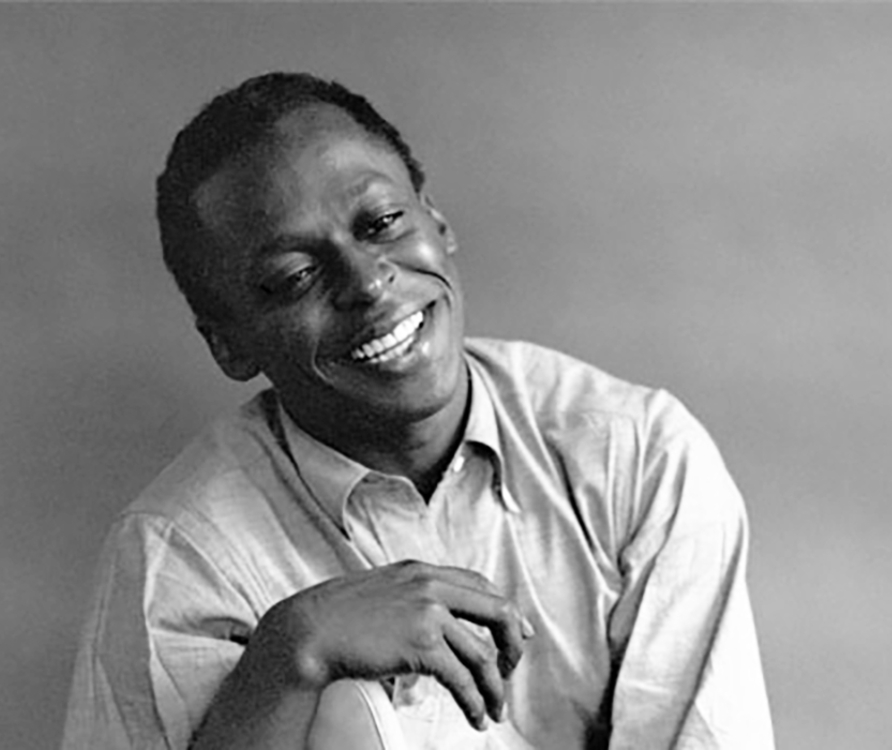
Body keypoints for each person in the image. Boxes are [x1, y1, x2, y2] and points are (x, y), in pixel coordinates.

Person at [60, 71, 774, 750]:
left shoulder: (636, 454)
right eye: (295, 276)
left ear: (438, 221)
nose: (368, 282)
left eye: (381, 223)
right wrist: (291, 654)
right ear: (229, 345)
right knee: (339, 707)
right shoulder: (177, 552)